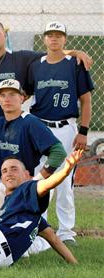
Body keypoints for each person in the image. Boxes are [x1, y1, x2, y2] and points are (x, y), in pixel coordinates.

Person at [0, 19, 94, 231]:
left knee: (52, 181)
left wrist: (75, 52)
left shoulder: (23, 58)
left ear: (4, 34)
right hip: (10, 128)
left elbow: (56, 55)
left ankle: (60, 230)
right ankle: (1, 227)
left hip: (42, 128)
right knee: (4, 182)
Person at [25, 22, 94, 244]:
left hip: (66, 128)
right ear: (44, 39)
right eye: (50, 35)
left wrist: (83, 131)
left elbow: (86, 100)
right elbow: (25, 94)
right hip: (39, 126)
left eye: (58, 35)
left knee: (65, 182)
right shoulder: (36, 65)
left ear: (65, 39)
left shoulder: (75, 64)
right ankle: (39, 229)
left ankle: (66, 232)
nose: (54, 39)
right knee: (39, 178)